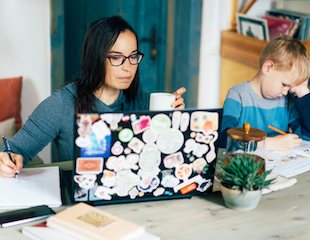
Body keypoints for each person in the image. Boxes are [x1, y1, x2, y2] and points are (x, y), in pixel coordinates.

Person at [0, 16, 186, 178]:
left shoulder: (144, 102)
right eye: (116, 57)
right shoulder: (62, 103)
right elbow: (15, 150)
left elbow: (166, 159)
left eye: (133, 56)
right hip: (79, 203)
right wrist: (7, 160)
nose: (128, 67)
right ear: (95, 58)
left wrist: (174, 122)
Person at [219, 35, 310, 151]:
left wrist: (304, 93)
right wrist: (268, 143)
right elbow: (224, 141)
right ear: (268, 68)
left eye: (291, 88)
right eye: (284, 85)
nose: (286, 92)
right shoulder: (237, 95)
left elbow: (307, 135)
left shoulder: (287, 101)